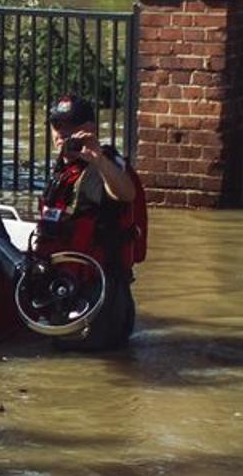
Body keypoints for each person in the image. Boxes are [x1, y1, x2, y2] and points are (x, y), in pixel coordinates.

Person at [36, 94, 146, 351]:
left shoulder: (105, 166)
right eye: (57, 125)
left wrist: (97, 159)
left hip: (102, 296)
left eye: (71, 125)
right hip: (65, 291)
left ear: (90, 128)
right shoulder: (62, 170)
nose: (62, 133)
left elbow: (126, 194)